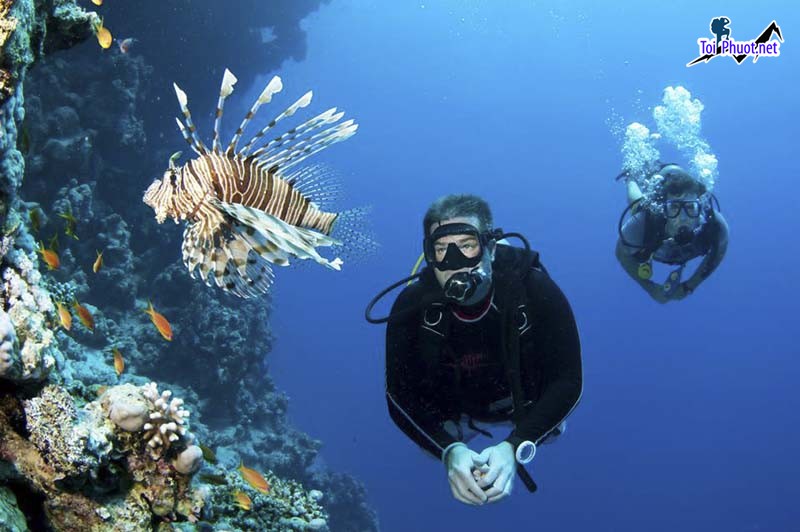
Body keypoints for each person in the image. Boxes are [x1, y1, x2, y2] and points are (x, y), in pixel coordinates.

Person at [372, 194, 582, 505]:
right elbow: (398, 395)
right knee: (436, 442)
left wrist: (516, 445)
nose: (454, 262)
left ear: (491, 249)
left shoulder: (536, 291)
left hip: (524, 405)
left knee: (550, 428)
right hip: (458, 413)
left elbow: (568, 380)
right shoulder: (413, 306)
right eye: (441, 249)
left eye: (467, 245)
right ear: (428, 256)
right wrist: (448, 450)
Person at [615, 163, 729, 303]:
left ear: (700, 207)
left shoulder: (715, 226)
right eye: (674, 207)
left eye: (690, 207)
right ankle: (631, 177)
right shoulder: (643, 223)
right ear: (663, 209)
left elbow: (719, 251)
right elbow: (621, 253)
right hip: (650, 215)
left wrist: (690, 285)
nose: (682, 218)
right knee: (637, 203)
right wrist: (651, 289)